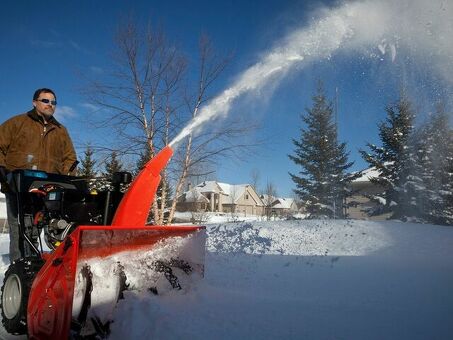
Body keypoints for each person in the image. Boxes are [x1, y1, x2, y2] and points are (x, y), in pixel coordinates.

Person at [0, 88, 77, 262]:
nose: (50, 105)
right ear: (34, 102)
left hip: (46, 187)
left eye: (53, 102)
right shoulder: (17, 123)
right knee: (19, 228)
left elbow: (70, 158)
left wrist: (64, 178)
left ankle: (34, 263)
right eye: (45, 100)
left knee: (36, 227)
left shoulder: (60, 130)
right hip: (16, 184)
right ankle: (18, 267)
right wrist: (3, 170)